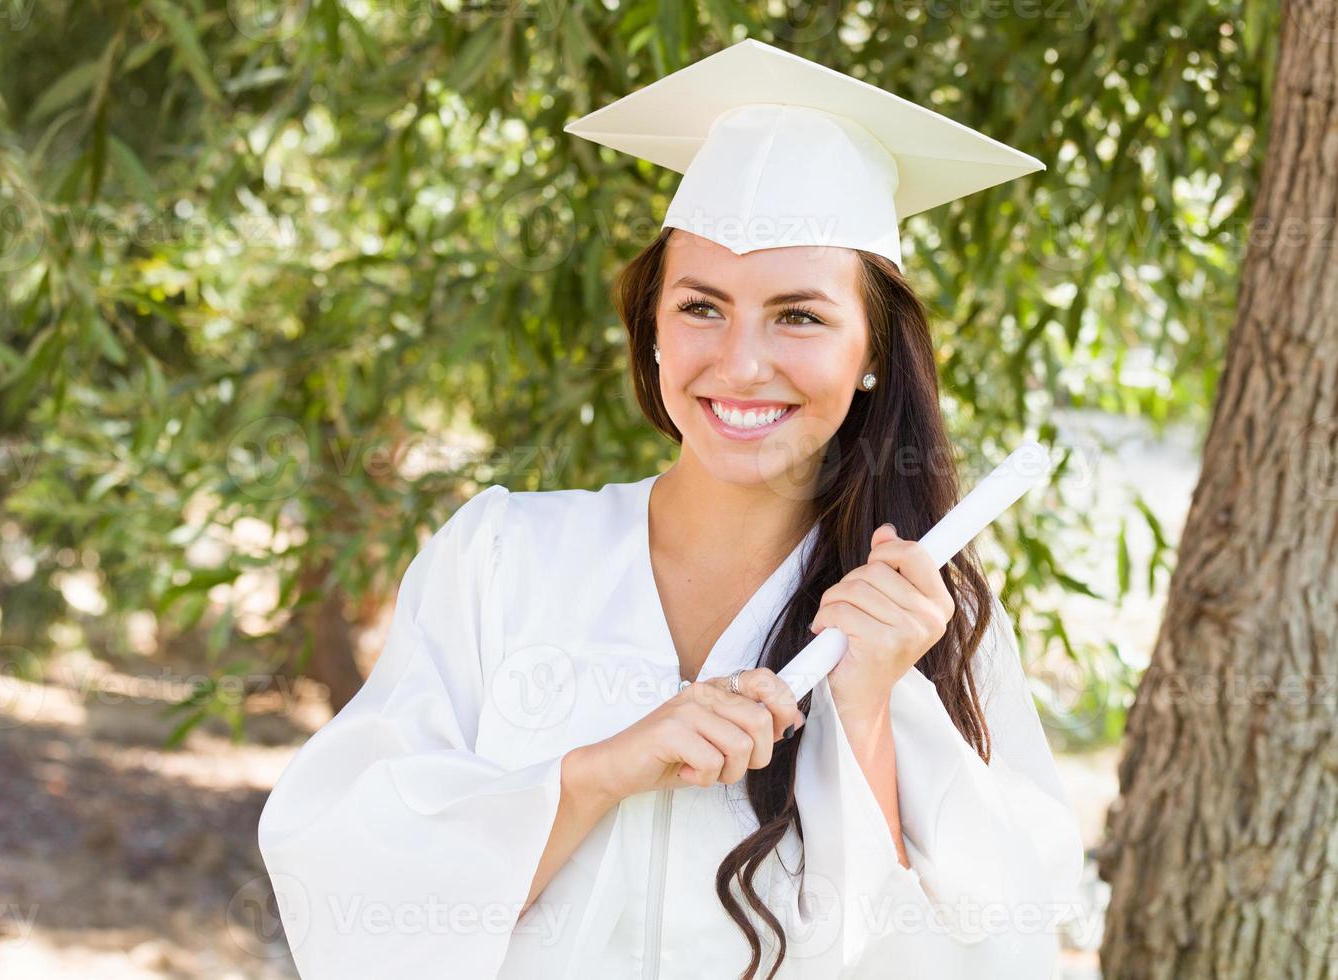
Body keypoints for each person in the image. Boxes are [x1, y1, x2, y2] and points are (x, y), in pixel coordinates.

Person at [257, 37, 1085, 980]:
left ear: (872, 359)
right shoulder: (502, 557)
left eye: (799, 315)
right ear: (652, 327)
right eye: (701, 307)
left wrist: (868, 707)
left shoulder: (930, 621)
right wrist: (599, 771)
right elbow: (349, 877)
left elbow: (977, 957)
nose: (738, 363)